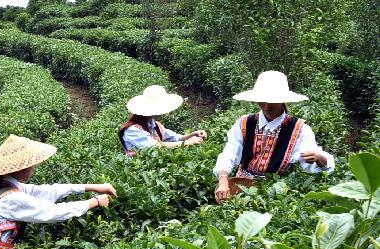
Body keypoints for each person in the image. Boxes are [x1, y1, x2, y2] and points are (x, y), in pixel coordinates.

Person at [214, 70, 335, 203]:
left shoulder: (299, 130)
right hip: (241, 188)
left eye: (271, 100)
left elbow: (317, 158)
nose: (266, 105)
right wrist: (223, 180)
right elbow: (229, 153)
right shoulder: (244, 123)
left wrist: (319, 158)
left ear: (282, 100)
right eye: (262, 99)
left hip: (275, 194)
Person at [119, 85, 207, 156]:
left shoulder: (155, 125)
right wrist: (187, 143)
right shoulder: (132, 130)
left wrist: (194, 134)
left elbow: (176, 138)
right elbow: (155, 146)